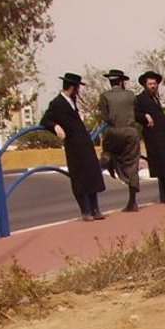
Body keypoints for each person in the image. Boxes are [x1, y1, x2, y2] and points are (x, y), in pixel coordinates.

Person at [40, 72, 106, 221]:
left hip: (84, 143)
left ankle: (95, 209)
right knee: (80, 178)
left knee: (91, 175)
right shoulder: (57, 103)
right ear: (72, 87)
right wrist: (55, 126)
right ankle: (86, 210)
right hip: (73, 145)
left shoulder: (73, 101)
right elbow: (45, 120)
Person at [134, 71, 165, 204]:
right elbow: (134, 113)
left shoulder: (156, 97)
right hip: (153, 138)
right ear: (145, 85)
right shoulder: (140, 99)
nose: (153, 86)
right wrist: (144, 116)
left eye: (154, 83)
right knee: (162, 166)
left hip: (164, 137)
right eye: (150, 84)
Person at [97, 69, 142, 212]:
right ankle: (133, 201)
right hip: (130, 132)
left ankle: (109, 161)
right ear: (122, 81)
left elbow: (105, 116)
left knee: (109, 151)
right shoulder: (130, 95)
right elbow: (135, 110)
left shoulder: (104, 96)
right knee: (132, 163)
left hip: (113, 131)